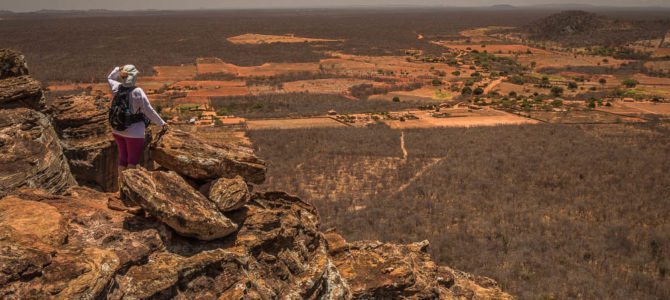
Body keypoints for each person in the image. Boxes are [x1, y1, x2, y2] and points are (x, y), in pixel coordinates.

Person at [107, 65, 168, 186]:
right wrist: (162, 123)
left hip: (117, 130)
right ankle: (130, 189)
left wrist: (117, 69)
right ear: (134, 76)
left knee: (123, 159)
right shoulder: (137, 92)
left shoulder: (116, 87)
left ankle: (122, 187)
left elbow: (110, 77)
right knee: (132, 161)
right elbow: (149, 111)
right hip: (134, 133)